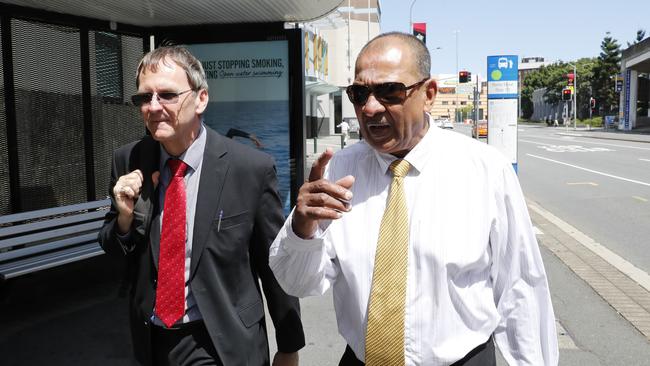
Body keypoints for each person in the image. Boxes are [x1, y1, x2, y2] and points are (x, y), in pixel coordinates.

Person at [269, 32, 558, 365]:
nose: (370, 107)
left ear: (429, 93)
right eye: (359, 94)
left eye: (389, 91)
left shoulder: (485, 170)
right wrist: (302, 229)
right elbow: (299, 282)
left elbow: (520, 287)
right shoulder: (337, 172)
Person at [98, 46, 304, 366]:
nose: (153, 107)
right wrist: (124, 218)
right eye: (144, 97)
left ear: (201, 99)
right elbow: (113, 250)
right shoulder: (129, 160)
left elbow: (273, 262)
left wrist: (289, 346)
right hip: (151, 341)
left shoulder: (249, 168)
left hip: (222, 340)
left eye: (167, 95)